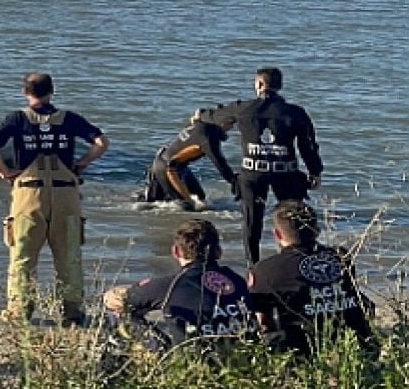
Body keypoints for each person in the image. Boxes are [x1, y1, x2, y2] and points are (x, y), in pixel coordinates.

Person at [0, 72, 109, 326]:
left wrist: (5, 173)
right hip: (66, 193)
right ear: (52, 91)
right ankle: (72, 313)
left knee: (23, 256)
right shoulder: (69, 119)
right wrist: (83, 162)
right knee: (68, 256)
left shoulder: (18, 119)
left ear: (25, 92)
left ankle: (20, 311)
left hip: (29, 193)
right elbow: (101, 142)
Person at [103, 219, 252, 353]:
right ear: (218, 252)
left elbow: (114, 300)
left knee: (118, 312)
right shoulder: (237, 280)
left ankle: (160, 353)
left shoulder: (171, 285)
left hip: (194, 360)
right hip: (244, 354)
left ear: (176, 251)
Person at [249, 200, 377, 356]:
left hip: (302, 351)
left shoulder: (264, 270)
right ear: (317, 230)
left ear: (277, 234)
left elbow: (263, 322)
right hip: (357, 344)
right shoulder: (340, 256)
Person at [227, 67, 323, 264]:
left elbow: (213, 117)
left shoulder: (242, 109)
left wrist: (200, 118)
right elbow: (308, 146)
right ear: (280, 86)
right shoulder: (295, 113)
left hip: (252, 173)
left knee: (252, 223)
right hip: (285, 172)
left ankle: (252, 268)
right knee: (294, 219)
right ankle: (298, 261)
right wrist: (315, 171)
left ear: (260, 84)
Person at [139, 109, 237, 211]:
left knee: (200, 198)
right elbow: (220, 163)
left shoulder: (200, 125)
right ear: (221, 123)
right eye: (230, 124)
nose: (232, 127)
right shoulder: (208, 138)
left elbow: (199, 115)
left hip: (173, 164)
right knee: (186, 206)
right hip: (168, 169)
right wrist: (235, 182)